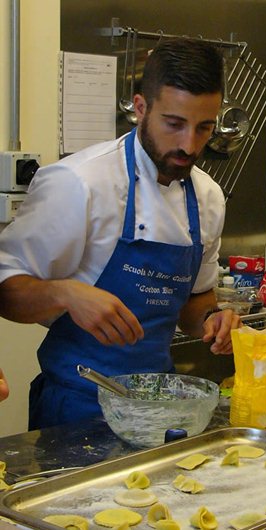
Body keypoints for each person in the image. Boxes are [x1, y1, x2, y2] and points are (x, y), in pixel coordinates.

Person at [0, 37, 241, 430]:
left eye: (204, 128)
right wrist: (66, 293)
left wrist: (213, 320)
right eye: (174, 124)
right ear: (140, 108)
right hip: (74, 408)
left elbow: (194, 300)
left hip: (157, 407)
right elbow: (5, 291)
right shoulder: (78, 184)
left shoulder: (209, 197)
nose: (189, 144)